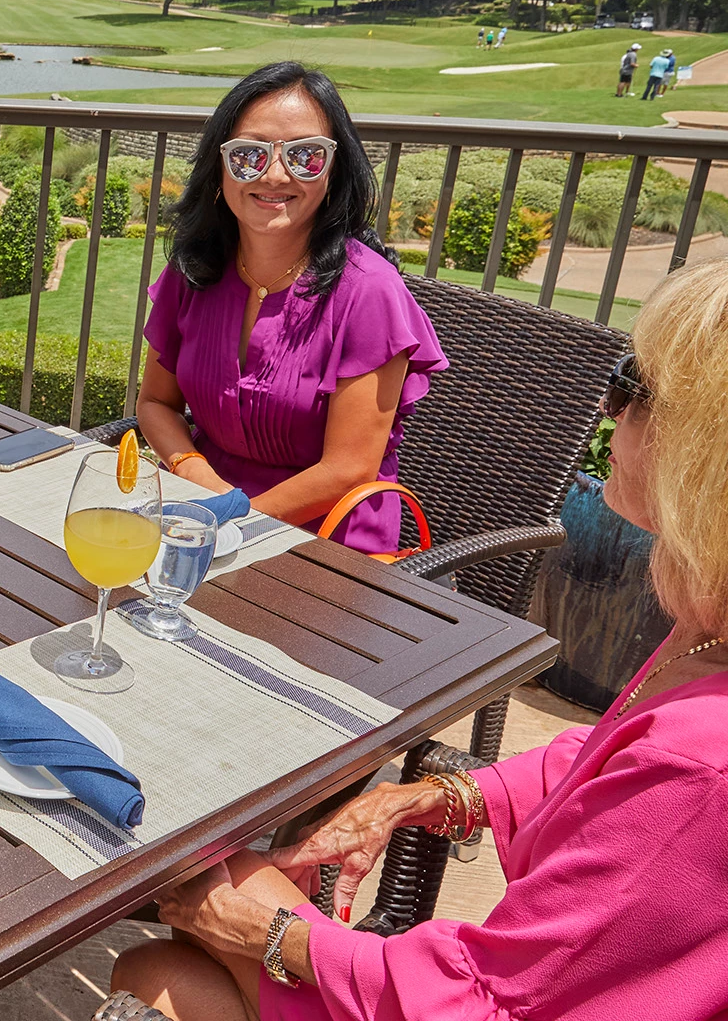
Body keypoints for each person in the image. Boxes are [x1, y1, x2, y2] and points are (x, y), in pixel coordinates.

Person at [108, 255, 728, 1020]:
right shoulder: (707, 633)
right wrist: (416, 798)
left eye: (629, 389)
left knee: (197, 906)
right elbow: (610, 767)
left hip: (471, 1001)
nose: (608, 413)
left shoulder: (702, 763)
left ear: (699, 453)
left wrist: (270, 934)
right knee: (160, 960)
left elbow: (486, 1001)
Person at [135, 61, 446, 556]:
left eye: (305, 156)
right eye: (248, 156)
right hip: (200, 514)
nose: (276, 174)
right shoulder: (194, 270)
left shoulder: (369, 292)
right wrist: (207, 493)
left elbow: (349, 468)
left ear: (335, 169)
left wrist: (234, 522)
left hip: (327, 541)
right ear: (219, 168)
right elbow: (155, 403)